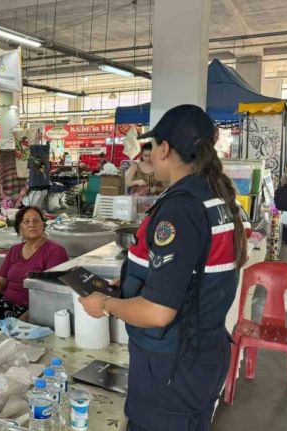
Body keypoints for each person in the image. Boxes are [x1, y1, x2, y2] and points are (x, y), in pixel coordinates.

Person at [77, 105, 250, 431]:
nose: (150, 155)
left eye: (151, 147)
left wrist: (104, 304)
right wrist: (129, 289)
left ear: (166, 148)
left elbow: (158, 312)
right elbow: (191, 279)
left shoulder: (181, 209)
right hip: (200, 356)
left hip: (172, 368)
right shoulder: (214, 197)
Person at [0, 205, 68, 340]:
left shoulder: (55, 251)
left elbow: (52, 292)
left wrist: (28, 316)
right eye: (26, 221)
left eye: (36, 220)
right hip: (7, 303)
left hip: (34, 308)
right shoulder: (14, 250)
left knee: (9, 337)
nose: (31, 225)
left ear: (43, 225)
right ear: (19, 228)